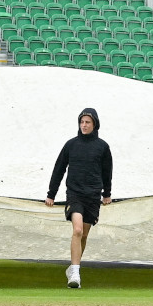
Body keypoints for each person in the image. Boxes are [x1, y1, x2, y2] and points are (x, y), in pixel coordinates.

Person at [45, 108, 112, 289]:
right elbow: (59, 169)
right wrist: (51, 194)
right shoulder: (71, 145)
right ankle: (75, 273)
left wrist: (107, 194)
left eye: (87, 122)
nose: (84, 125)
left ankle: (73, 266)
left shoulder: (103, 147)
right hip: (74, 194)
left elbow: (107, 172)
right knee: (77, 230)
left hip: (93, 195)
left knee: (84, 234)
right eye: (82, 122)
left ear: (94, 124)